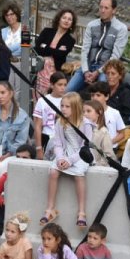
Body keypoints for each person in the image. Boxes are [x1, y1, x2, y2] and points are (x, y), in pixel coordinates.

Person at [41, 92, 91, 228]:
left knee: (79, 175)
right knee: (53, 172)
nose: (63, 109)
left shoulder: (85, 124)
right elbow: (57, 144)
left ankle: (81, 211)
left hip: (80, 155)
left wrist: (70, 160)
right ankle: (50, 207)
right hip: (64, 153)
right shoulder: (60, 122)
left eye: (67, 106)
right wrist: (60, 158)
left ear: (75, 108)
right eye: (62, 106)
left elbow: (85, 146)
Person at [69, 0, 128, 93]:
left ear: (113, 10)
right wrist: (86, 70)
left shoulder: (121, 28)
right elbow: (85, 49)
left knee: (101, 92)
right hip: (88, 65)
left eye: (106, 8)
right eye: (101, 7)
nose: (102, 10)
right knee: (68, 90)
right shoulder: (92, 25)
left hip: (106, 68)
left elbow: (115, 56)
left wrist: (98, 72)